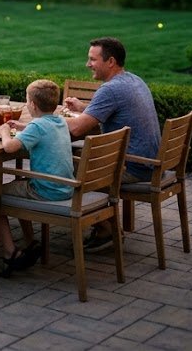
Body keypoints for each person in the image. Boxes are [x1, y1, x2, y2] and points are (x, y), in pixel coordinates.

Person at [64, 36, 161, 252]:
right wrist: (85, 108)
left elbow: (76, 129)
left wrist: (44, 121)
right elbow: (113, 110)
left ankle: (106, 228)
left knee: (63, 166)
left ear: (111, 62)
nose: (87, 64)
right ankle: (103, 225)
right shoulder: (134, 80)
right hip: (151, 162)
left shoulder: (110, 90)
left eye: (92, 59)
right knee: (74, 158)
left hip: (134, 167)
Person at [0, 78, 75, 276]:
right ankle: (30, 243)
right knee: (18, 186)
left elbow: (9, 147)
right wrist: (20, 127)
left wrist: (4, 131)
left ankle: (10, 253)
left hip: (46, 190)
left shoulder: (37, 127)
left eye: (27, 101)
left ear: (32, 105)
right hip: (65, 187)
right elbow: (41, 130)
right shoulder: (59, 121)